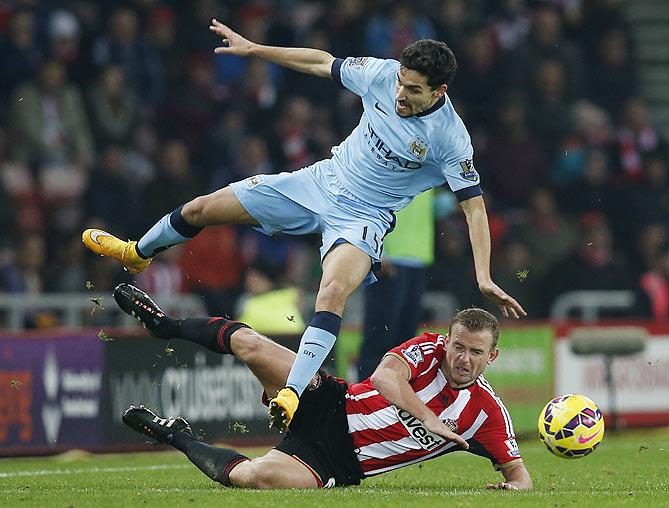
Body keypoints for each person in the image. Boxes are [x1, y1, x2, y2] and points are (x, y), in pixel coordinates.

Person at [83, 20, 527, 431]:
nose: (399, 95)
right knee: (202, 209)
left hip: (363, 219)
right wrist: (255, 49)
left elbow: (473, 206)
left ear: (439, 91)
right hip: (317, 182)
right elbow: (320, 61)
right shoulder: (381, 73)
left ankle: (291, 393)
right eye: (400, 84)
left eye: (412, 90)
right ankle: (136, 253)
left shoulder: (450, 138)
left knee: (331, 292)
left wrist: (483, 274)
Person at [115, 283, 533, 490]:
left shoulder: (487, 414)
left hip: (335, 461)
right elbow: (385, 377)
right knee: (250, 344)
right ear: (448, 340)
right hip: (332, 401)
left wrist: (510, 488)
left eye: (476, 352)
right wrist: (429, 420)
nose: (463, 358)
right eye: (458, 346)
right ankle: (164, 325)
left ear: (490, 357)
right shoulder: (427, 349)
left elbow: (520, 475)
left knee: (256, 477)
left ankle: (175, 434)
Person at [357, 189, 434, 380]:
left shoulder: (432, 163)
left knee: (406, 340)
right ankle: (364, 396)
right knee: (380, 335)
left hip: (417, 258)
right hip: (389, 261)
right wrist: (377, 249)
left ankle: (397, 400)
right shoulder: (392, 160)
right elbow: (365, 197)